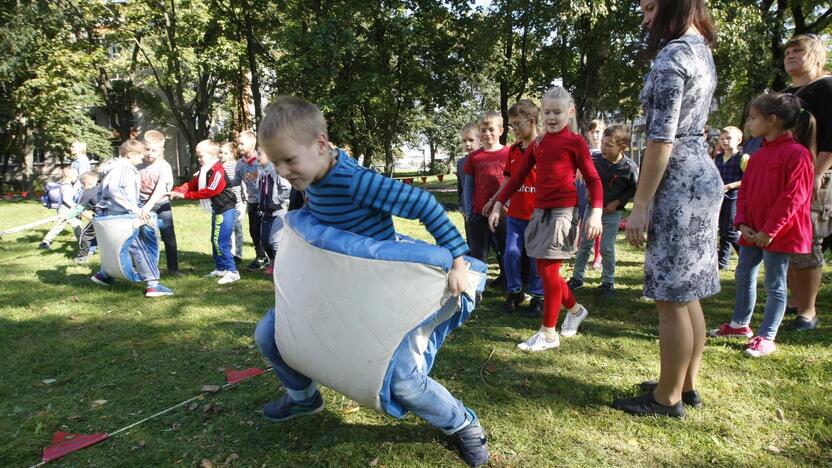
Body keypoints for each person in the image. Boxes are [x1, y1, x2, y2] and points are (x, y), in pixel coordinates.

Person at [252, 96, 488, 467]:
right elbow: (313, 218)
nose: (283, 171)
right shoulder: (310, 176)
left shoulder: (355, 181)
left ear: (320, 144)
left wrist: (458, 260)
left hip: (379, 292)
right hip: (337, 283)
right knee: (270, 334)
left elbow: (423, 204)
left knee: (403, 382)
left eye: (289, 160)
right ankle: (304, 399)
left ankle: (462, 425)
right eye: (277, 161)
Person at [614, 0, 720, 418]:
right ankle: (683, 383)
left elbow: (662, 139)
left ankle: (666, 397)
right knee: (687, 291)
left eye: (651, 7)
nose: (644, 18)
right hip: (700, 175)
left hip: (677, 181)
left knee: (671, 296)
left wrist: (640, 204)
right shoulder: (701, 51)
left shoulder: (674, 54)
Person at [488, 86, 602, 352]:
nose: (551, 117)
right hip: (539, 214)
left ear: (569, 112)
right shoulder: (538, 144)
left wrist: (595, 210)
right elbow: (515, 178)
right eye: (547, 112)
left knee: (549, 271)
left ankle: (548, 333)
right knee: (544, 271)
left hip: (563, 213)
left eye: (557, 112)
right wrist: (497, 204)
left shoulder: (575, 142)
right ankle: (574, 310)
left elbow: (593, 179)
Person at [709, 92, 815, 357]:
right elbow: (744, 191)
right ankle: (739, 324)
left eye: (754, 118)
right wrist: (742, 222)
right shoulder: (756, 154)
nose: (749, 124)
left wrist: (770, 230)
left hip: (776, 233)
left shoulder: (797, 154)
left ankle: (767, 335)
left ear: (773, 120)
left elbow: (793, 197)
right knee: (744, 274)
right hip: (752, 229)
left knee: (775, 283)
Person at [782, 33, 832, 332]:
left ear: (814, 55)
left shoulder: (826, 86)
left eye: (797, 51)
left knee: (807, 242)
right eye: (787, 51)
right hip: (787, 177)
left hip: (816, 177)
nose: (790, 55)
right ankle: (794, 301)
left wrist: (815, 174)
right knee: (786, 241)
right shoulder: (786, 92)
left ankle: (808, 311)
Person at [90, 139, 174, 298]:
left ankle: (104, 275)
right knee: (138, 246)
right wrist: (136, 210)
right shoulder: (124, 169)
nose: (142, 158)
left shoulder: (111, 168)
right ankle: (153, 285)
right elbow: (116, 191)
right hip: (123, 216)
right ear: (130, 155)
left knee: (113, 246)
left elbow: (101, 192)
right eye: (140, 155)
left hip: (110, 214)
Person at [484, 100, 543, 315]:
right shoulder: (514, 150)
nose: (514, 129)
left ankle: (538, 297)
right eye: (512, 125)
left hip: (538, 216)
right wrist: (496, 202)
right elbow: (508, 181)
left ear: (532, 121)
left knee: (537, 259)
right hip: (516, 215)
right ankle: (515, 291)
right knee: (510, 253)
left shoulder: (545, 148)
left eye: (518, 124)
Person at [567, 124, 639, 297]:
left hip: (612, 213)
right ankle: (577, 278)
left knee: (606, 247)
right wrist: (586, 190)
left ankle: (608, 282)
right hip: (592, 211)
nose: (603, 148)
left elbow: (634, 188)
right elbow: (587, 176)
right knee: (585, 244)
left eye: (609, 145)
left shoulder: (629, 167)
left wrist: (618, 202)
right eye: (603, 143)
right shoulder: (596, 160)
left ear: (622, 148)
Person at [169, 140, 240, 285]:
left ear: (213, 155)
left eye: (201, 156)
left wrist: (185, 196)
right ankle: (221, 268)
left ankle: (232, 271)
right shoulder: (204, 170)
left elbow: (210, 191)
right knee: (214, 240)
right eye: (198, 156)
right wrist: (177, 191)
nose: (199, 159)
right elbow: (192, 185)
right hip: (217, 210)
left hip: (226, 209)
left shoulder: (217, 170)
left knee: (221, 242)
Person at [464, 112, 509, 289]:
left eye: (491, 129)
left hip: (503, 214)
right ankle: (477, 287)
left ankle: (507, 282)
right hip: (478, 213)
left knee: (504, 251)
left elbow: (513, 183)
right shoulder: (474, 158)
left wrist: (507, 206)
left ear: (500, 130)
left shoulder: (509, 153)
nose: (487, 134)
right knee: (478, 253)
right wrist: (468, 212)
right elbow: (468, 187)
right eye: (483, 130)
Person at [137, 130, 181, 276]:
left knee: (168, 236)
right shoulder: (136, 164)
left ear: (161, 151)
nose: (149, 153)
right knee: (141, 237)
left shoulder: (164, 167)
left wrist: (148, 207)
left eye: (153, 150)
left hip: (161, 205)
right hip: (140, 205)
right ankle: (144, 268)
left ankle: (173, 269)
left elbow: (160, 189)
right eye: (146, 149)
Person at [714, 126, 750, 270]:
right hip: (719, 199)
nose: (725, 141)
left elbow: (749, 180)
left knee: (729, 229)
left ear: (739, 140)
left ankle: (746, 257)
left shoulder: (743, 158)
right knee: (722, 231)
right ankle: (722, 262)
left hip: (734, 198)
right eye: (722, 139)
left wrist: (729, 186)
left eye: (728, 138)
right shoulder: (717, 158)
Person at [235, 130, 269, 271]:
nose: (239, 147)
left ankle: (273, 257)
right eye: (238, 144)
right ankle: (260, 257)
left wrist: (256, 173)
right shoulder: (240, 163)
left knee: (267, 232)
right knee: (253, 230)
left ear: (252, 144)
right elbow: (235, 180)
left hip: (266, 202)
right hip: (253, 201)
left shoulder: (261, 160)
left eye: (242, 144)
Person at [256, 149, 291, 275]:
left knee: (275, 241)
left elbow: (287, 189)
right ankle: (272, 261)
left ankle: (281, 266)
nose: (257, 156)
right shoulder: (262, 172)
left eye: (260, 154)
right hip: (265, 212)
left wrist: (276, 200)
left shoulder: (275, 171)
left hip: (277, 212)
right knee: (265, 241)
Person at [39, 167, 82, 250]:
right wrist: (74, 206)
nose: (76, 178)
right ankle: (82, 242)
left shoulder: (61, 183)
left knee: (59, 226)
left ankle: (45, 242)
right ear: (70, 176)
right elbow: (66, 199)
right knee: (76, 224)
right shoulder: (66, 186)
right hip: (67, 209)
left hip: (63, 209)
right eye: (76, 176)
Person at [220, 142, 245, 263]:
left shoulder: (235, 165)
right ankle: (230, 252)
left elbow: (242, 180)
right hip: (226, 203)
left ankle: (238, 253)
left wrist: (245, 195)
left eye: (225, 153)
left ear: (232, 154)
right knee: (228, 228)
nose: (222, 155)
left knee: (237, 227)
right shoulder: (219, 166)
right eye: (221, 152)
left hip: (238, 202)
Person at [584, 119, 605, 269]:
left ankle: (598, 255)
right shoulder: (585, 151)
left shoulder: (607, 152)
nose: (595, 135)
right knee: (584, 223)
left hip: (601, 194)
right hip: (584, 192)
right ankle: (583, 251)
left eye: (598, 131)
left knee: (598, 225)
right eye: (592, 132)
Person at [457, 122, 480, 243]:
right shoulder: (461, 163)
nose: (467, 144)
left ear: (480, 139)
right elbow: (460, 187)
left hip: (484, 210)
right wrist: (461, 207)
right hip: (468, 211)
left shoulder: (484, 160)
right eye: (464, 141)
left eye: (471, 140)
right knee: (472, 243)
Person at [74, 171, 103, 263]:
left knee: (85, 235)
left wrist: (64, 218)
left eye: (81, 184)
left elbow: (78, 209)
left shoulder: (87, 192)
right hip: (111, 215)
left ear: (84, 183)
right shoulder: (101, 189)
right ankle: (91, 250)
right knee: (100, 234)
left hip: (100, 217)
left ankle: (82, 257)